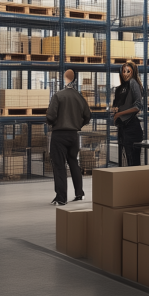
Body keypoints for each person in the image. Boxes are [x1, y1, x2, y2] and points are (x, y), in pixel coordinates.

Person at [45, 68, 90, 206]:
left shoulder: (58, 96)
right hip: (73, 136)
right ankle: (79, 193)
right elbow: (88, 116)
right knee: (73, 163)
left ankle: (61, 197)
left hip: (59, 135)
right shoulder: (79, 97)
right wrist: (77, 124)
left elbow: (50, 116)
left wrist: (53, 123)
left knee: (59, 166)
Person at [112, 61, 144, 166]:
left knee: (133, 161)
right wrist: (116, 110)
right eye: (123, 71)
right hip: (123, 128)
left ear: (133, 72)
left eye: (128, 71)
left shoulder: (133, 83)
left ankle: (135, 182)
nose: (125, 74)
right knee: (126, 160)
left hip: (132, 128)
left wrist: (119, 114)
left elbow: (138, 106)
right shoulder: (121, 88)